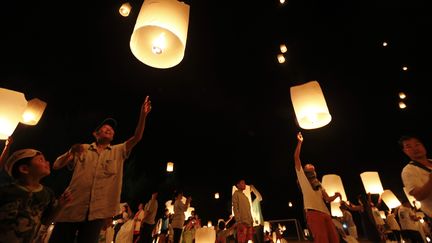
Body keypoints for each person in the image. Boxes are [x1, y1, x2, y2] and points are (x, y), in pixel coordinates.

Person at [49, 96, 152, 243]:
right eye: (104, 128)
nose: (109, 129)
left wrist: (143, 115)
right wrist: (70, 153)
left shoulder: (118, 151)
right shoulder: (82, 148)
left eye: (111, 129)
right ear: (95, 134)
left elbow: (137, 137)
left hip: (97, 214)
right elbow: (56, 165)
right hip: (71, 208)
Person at [0, 149, 72, 242]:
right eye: (41, 160)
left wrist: (60, 206)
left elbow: (46, 221)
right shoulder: (6, 191)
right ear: (24, 169)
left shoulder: (47, 193)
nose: (47, 162)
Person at [294, 132, 341, 243]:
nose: (310, 164)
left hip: (325, 213)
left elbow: (327, 199)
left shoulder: (319, 184)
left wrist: (336, 195)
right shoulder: (303, 180)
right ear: (305, 171)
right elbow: (296, 158)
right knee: (322, 240)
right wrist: (300, 142)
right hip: (313, 213)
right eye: (307, 165)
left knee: (334, 239)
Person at [400, 135, 432, 220]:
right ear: (405, 151)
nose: (415, 148)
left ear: (423, 146)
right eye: (409, 146)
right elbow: (418, 196)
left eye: (417, 144)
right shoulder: (408, 170)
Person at [232, 179, 255, 243]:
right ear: (238, 185)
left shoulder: (246, 197)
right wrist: (238, 221)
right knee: (242, 241)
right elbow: (235, 208)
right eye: (242, 183)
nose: (244, 184)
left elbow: (249, 210)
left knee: (249, 241)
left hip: (249, 223)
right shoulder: (235, 194)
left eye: (244, 183)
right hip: (242, 222)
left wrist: (251, 220)